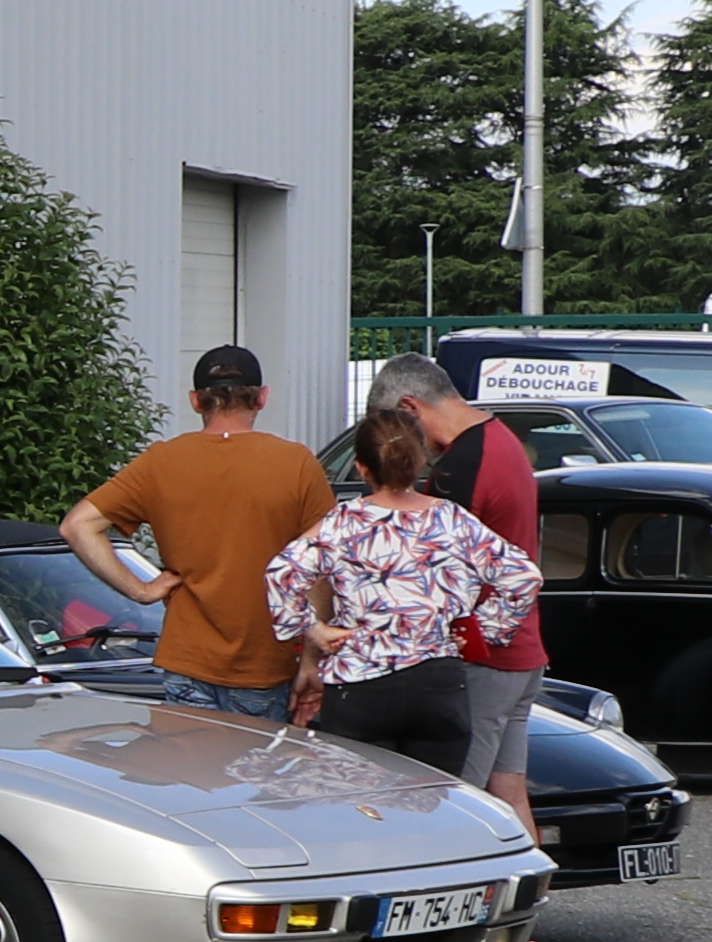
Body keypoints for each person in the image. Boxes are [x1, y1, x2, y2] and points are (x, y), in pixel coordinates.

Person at [263, 398, 538, 777]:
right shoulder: (451, 519)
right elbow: (522, 576)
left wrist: (315, 630)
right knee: (433, 805)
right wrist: (481, 632)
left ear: (362, 468)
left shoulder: (345, 522)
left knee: (364, 809)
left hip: (361, 683)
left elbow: (282, 573)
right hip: (438, 683)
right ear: (422, 460)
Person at [61, 346, 336, 718]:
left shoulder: (161, 461)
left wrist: (140, 590)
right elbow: (322, 569)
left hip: (186, 661)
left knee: (193, 774)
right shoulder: (297, 463)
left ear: (196, 401)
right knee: (255, 776)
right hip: (265, 664)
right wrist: (312, 659)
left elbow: (77, 525)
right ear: (263, 397)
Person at [369, 354, 546, 819]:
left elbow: (434, 569)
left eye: (398, 431)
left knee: (456, 804)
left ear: (410, 407)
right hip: (522, 651)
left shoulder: (461, 467)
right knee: (509, 794)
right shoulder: (501, 439)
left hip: (484, 658)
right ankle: (533, 890)